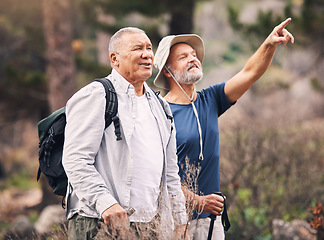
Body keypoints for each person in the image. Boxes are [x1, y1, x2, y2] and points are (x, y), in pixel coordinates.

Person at [153, 18, 294, 239]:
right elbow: (157, 175)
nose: (193, 59)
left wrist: (269, 43)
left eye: (194, 55)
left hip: (211, 222)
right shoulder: (159, 112)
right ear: (167, 72)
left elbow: (250, 73)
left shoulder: (211, 99)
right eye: (183, 57)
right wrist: (197, 201)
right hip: (174, 221)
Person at [62, 27, 188, 240]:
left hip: (150, 225)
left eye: (149, 48)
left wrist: (180, 222)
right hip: (99, 221)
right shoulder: (96, 96)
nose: (147, 54)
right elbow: (75, 160)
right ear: (115, 59)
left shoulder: (161, 106)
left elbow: (170, 174)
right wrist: (106, 203)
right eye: (138, 48)